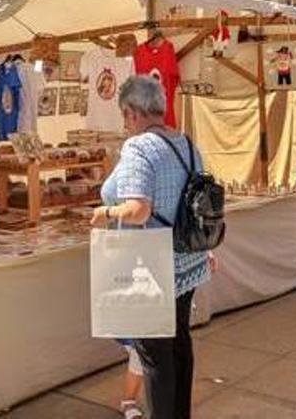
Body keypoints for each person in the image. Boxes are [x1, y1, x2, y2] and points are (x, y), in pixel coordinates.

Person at [91, 75, 211, 419]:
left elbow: (138, 209)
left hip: (150, 267)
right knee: (178, 345)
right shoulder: (187, 143)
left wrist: (106, 212)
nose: (125, 124)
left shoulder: (139, 147)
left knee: (154, 355)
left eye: (123, 116)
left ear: (131, 112)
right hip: (186, 262)